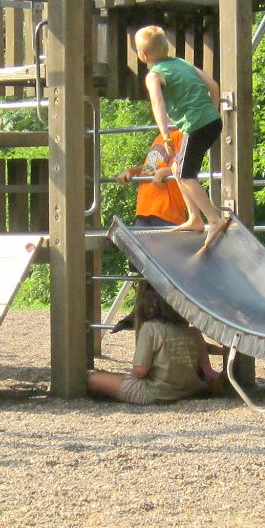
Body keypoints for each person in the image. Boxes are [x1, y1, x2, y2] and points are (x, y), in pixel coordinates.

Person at [134, 25, 228, 254]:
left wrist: (166, 134)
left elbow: (157, 103)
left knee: (186, 174)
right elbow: (213, 86)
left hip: (195, 126)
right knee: (177, 168)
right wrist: (212, 111)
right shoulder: (183, 63)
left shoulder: (153, 75)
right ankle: (194, 217)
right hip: (211, 121)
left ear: (143, 55)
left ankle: (213, 219)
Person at [88, 284, 221, 404]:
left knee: (93, 379)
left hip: (156, 393)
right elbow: (204, 361)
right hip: (191, 389)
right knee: (112, 377)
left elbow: (140, 370)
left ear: (149, 304)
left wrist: (129, 377)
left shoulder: (150, 329)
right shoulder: (192, 332)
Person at [119, 129, 189, 227]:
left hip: (167, 212)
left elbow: (187, 166)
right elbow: (150, 167)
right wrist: (132, 171)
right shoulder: (160, 137)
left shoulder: (182, 135)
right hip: (144, 210)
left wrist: (165, 171)